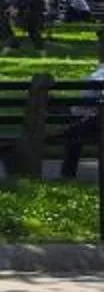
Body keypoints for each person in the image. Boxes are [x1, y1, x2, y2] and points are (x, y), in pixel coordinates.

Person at [57, 30, 104, 180]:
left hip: (96, 121)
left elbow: (90, 98)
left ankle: (67, 174)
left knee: (74, 131)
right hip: (92, 117)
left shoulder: (100, 74)